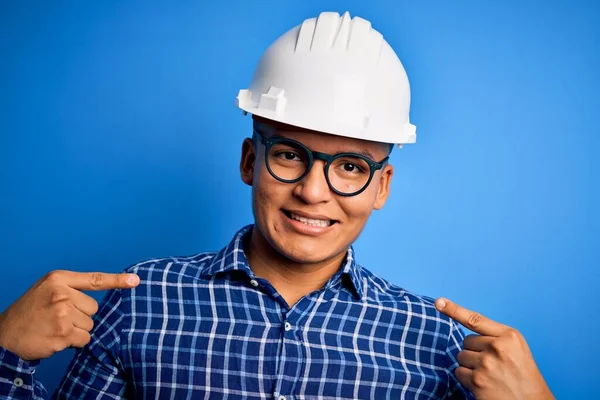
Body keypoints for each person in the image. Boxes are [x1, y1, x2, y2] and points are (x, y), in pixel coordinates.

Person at [0, 11, 553, 400]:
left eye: (350, 167)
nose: (313, 192)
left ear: (381, 187)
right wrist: (5, 354)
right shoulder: (138, 304)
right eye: (289, 155)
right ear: (249, 160)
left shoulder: (439, 345)